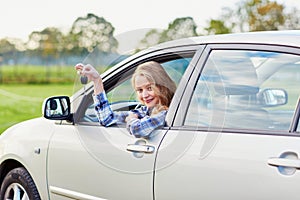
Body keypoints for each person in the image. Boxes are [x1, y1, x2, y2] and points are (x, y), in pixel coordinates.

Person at [75, 61, 176, 138]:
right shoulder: (145, 111)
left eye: (149, 88)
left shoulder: (166, 113)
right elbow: (107, 118)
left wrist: (132, 119)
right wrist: (97, 81)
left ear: (162, 86)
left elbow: (138, 129)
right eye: (140, 90)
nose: (144, 95)